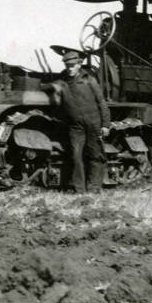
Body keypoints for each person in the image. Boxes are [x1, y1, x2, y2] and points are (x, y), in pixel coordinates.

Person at [47, 46, 110, 193]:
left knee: (96, 155)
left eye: (72, 66)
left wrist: (106, 125)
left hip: (94, 123)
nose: (69, 69)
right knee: (76, 156)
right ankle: (79, 189)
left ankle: (94, 188)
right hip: (76, 126)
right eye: (66, 66)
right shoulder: (62, 82)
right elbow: (48, 87)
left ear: (79, 64)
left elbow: (102, 102)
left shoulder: (89, 80)